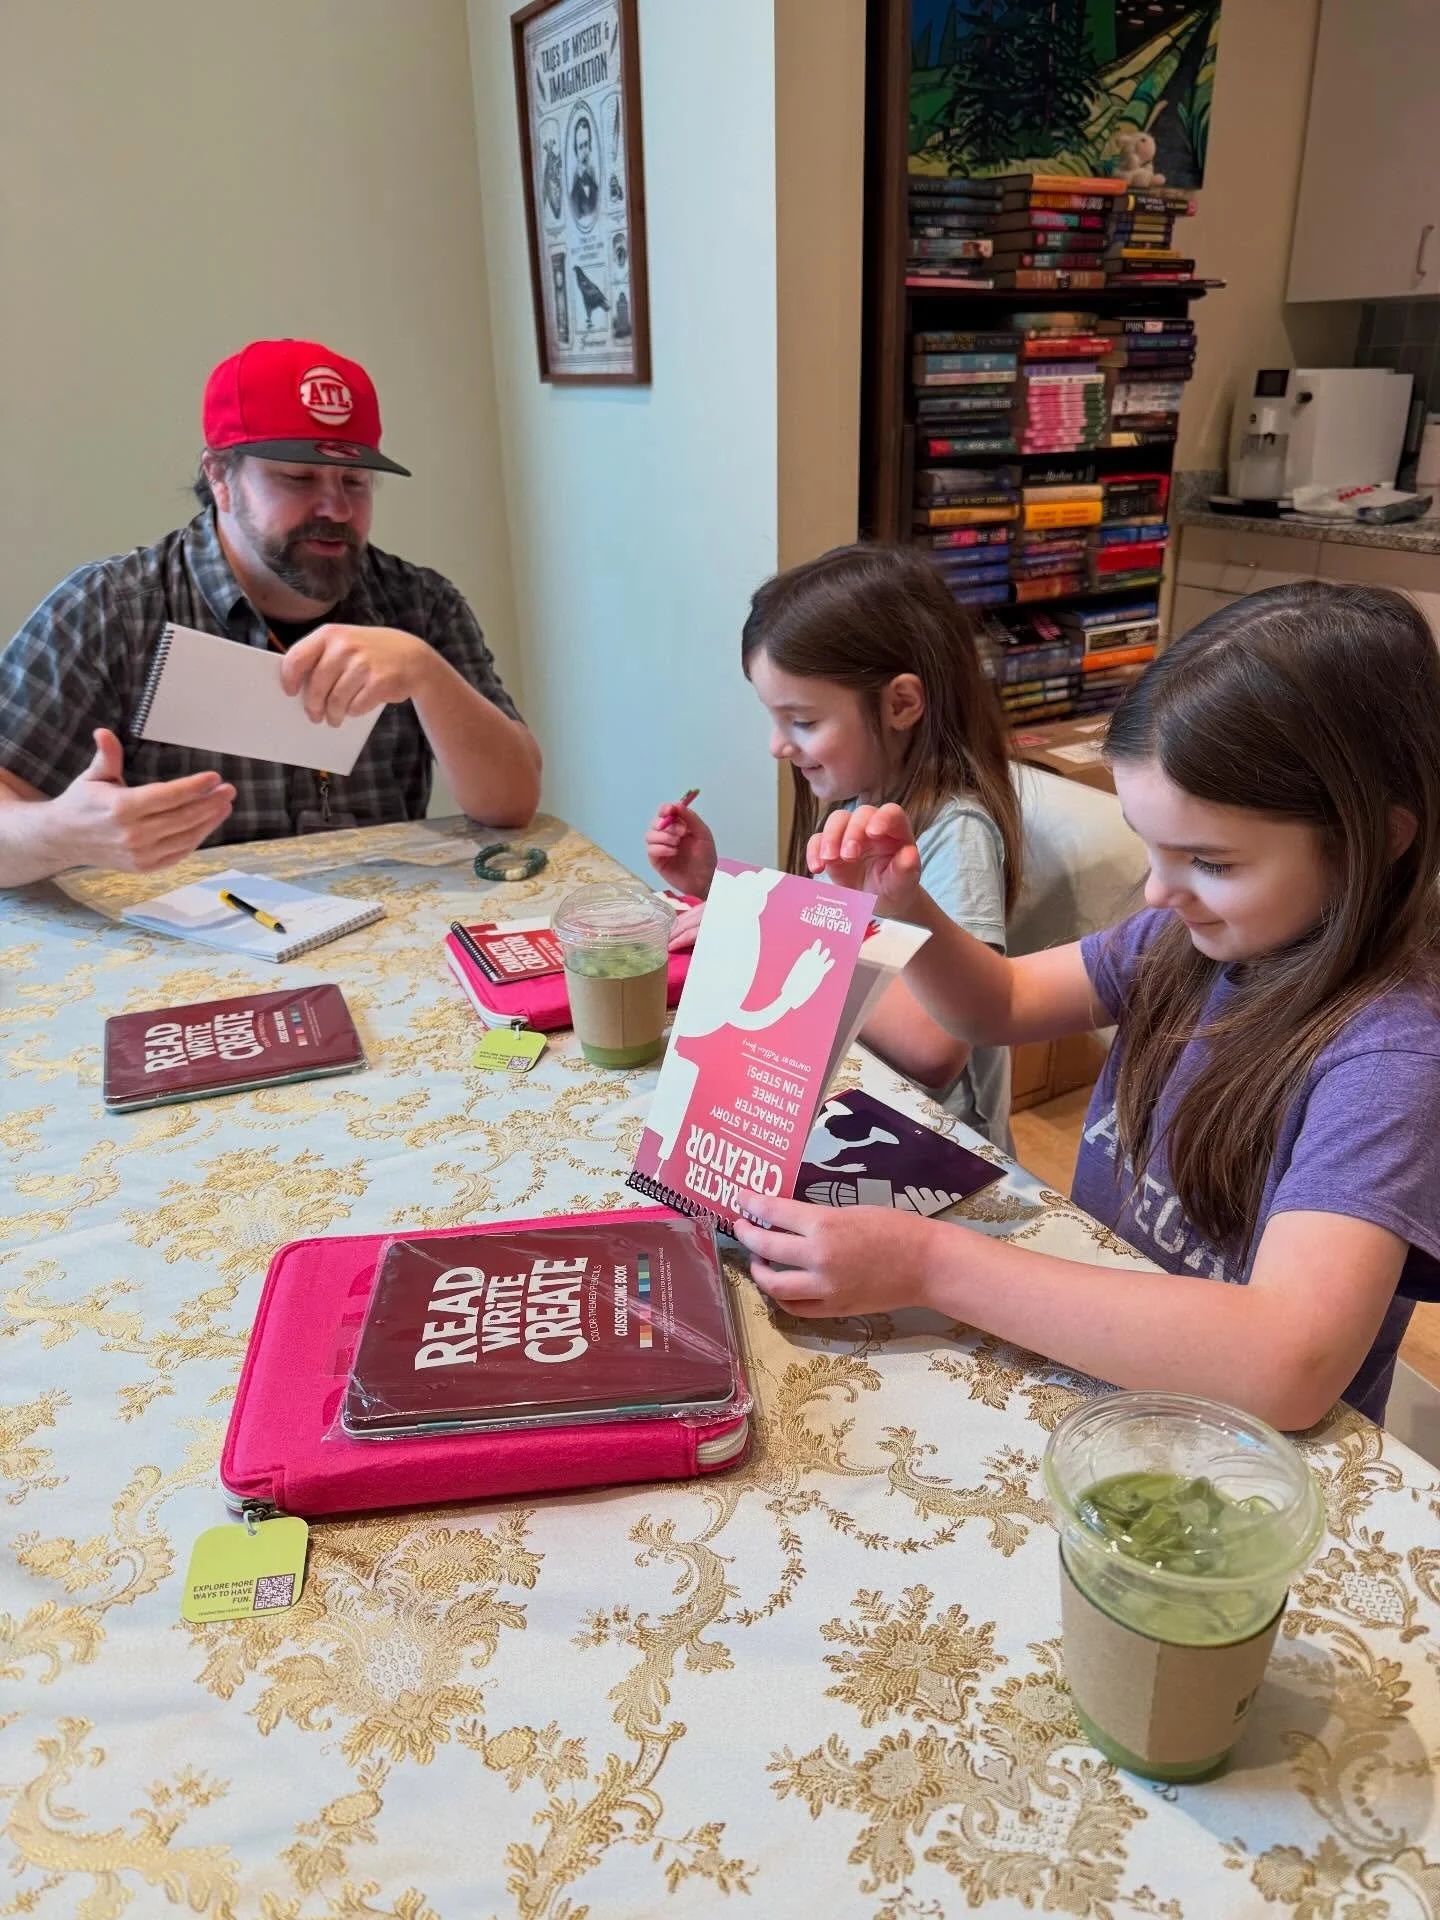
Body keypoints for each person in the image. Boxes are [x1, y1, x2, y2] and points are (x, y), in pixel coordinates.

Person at [734, 582, 1440, 1431]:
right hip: (1109, 1371)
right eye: (1150, 846)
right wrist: (905, 909)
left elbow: (1287, 1363)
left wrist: (932, 1266)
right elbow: (997, 1004)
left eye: (1211, 862)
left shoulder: (1392, 1059)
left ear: (1376, 839)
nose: (1158, 889)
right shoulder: (1177, 940)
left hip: (1234, 1447)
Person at [0, 338, 540, 886]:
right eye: (299, 479)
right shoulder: (111, 609)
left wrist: (427, 674)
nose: (336, 508)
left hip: (382, 921)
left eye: (355, 481)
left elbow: (512, 805)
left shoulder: (420, 605)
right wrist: (61, 833)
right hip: (175, 931)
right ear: (220, 477)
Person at [645, 543, 1023, 1148]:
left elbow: (935, 1048)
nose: (777, 745)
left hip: (937, 1149)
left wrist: (765, 938)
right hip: (859, 1107)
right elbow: (836, 942)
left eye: (802, 720)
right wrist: (715, 886)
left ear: (901, 704)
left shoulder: (956, 832)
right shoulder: (855, 805)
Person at [569, 114, 599, 223]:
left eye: (586, 144)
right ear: (575, 151)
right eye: (580, 147)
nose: (585, 152)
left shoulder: (595, 182)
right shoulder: (573, 193)